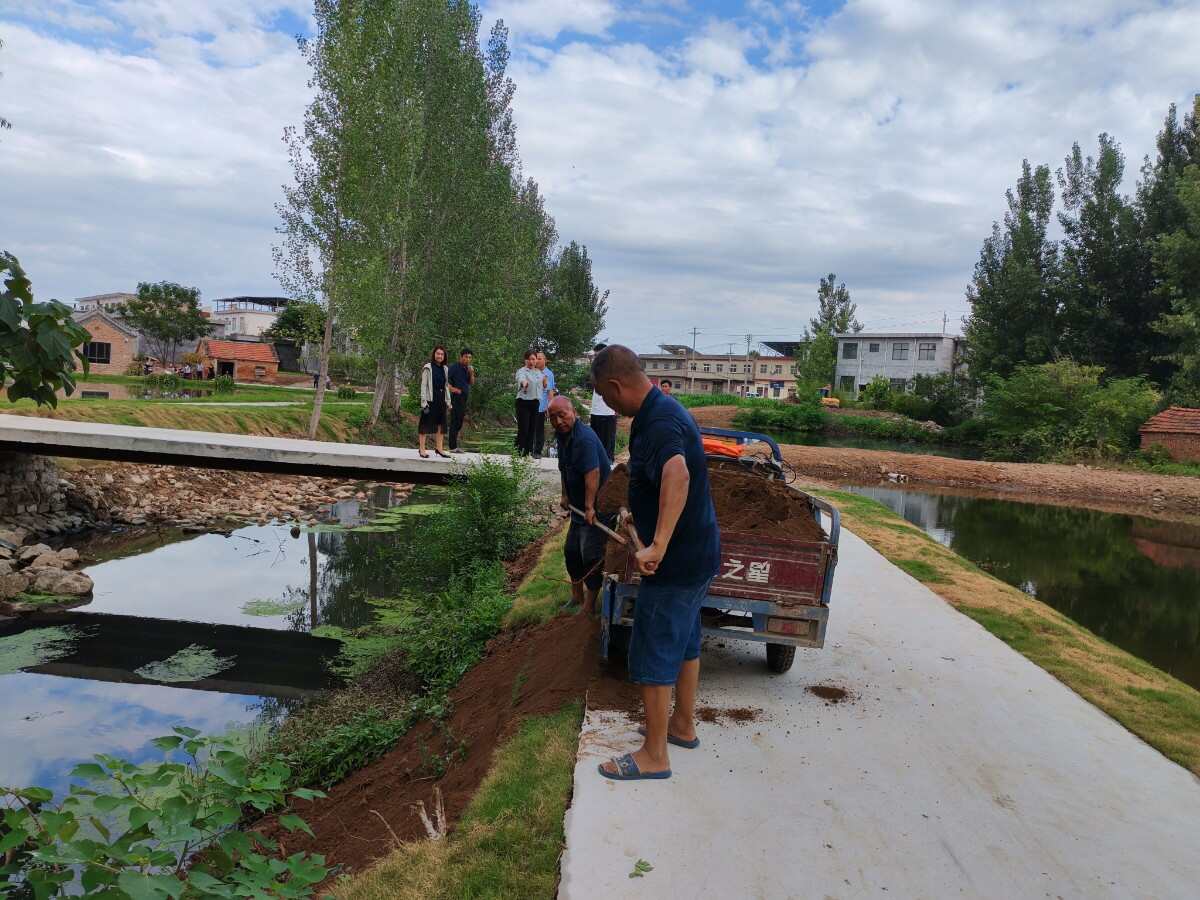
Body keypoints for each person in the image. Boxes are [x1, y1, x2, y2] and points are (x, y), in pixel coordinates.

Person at [590, 344, 720, 782]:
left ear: (615, 385)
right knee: (684, 641)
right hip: (698, 555)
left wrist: (659, 544)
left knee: (655, 647)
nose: (608, 406)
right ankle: (682, 726)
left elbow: (677, 474)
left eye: (605, 397)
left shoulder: (661, 422)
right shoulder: (657, 413)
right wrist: (636, 513)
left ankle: (654, 755)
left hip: (677, 563)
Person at [548, 395, 611, 615]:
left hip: (597, 507)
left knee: (591, 555)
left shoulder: (584, 439)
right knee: (572, 552)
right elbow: (564, 468)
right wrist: (565, 495)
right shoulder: (562, 436)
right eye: (553, 418)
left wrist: (590, 507)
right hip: (579, 508)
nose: (558, 421)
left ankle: (589, 607)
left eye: (562, 415)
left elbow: (592, 474)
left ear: (573, 412)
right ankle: (576, 597)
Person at [418, 346, 453, 459]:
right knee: (424, 424)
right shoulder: (428, 368)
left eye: (442, 354)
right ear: (434, 354)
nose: (440, 356)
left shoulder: (445, 369)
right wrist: (424, 402)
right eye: (438, 353)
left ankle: (439, 449)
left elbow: (446, 386)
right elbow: (423, 386)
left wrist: (448, 401)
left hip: (441, 399)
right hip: (430, 400)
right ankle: (422, 449)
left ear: (444, 356)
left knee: (441, 425)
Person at [588, 343, 618, 462]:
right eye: (595, 355)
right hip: (596, 410)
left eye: (598, 355)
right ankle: (597, 459)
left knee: (608, 438)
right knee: (596, 437)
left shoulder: (613, 369)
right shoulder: (595, 369)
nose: (596, 357)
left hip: (608, 410)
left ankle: (609, 459)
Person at [514, 349, 544, 456]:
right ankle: (518, 453)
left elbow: (542, 386)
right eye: (529, 359)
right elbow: (521, 379)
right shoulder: (521, 371)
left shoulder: (539, 373)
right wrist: (524, 383)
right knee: (524, 429)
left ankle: (528, 453)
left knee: (532, 429)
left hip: (535, 403)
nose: (531, 362)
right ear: (525, 360)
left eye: (533, 359)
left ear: (536, 360)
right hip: (523, 403)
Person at [447, 348, 475, 453]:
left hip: (464, 398)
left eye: (470, 357)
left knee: (459, 422)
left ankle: (454, 446)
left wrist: (471, 373)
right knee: (455, 421)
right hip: (456, 398)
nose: (468, 359)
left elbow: (471, 383)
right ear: (461, 357)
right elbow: (445, 381)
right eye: (466, 357)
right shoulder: (454, 367)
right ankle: (452, 447)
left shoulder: (468, 369)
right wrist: (454, 389)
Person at [533, 350, 557, 458]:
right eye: (536, 358)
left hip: (541, 407)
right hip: (530, 405)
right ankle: (527, 450)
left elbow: (550, 392)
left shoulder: (548, 374)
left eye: (539, 358)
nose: (537, 361)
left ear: (545, 360)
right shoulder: (532, 371)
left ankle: (537, 451)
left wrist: (550, 407)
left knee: (539, 430)